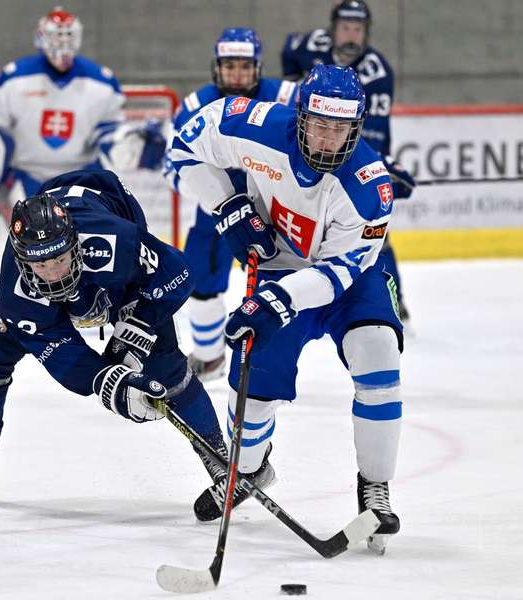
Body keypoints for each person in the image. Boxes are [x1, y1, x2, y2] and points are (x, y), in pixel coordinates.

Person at [170, 63, 404, 553]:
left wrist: (280, 299)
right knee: (251, 397)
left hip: (345, 280)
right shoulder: (252, 124)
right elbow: (182, 150)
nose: (328, 140)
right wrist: (228, 206)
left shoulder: (369, 185)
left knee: (378, 350)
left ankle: (375, 489)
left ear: (355, 128)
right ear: (299, 116)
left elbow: (339, 274)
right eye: (320, 125)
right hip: (277, 270)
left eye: (341, 129)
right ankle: (251, 470)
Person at [0, 169, 226, 507]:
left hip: (109, 207)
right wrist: (108, 382)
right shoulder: (16, 295)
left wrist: (140, 324)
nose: (54, 274)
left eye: (60, 259)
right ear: (22, 260)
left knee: (164, 364)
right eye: (41, 266)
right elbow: (60, 351)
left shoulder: (114, 241)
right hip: (54, 253)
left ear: (74, 244)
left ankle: (222, 462)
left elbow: (179, 273)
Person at [0, 7, 164, 329]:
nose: (61, 49)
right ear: (41, 38)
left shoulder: (101, 82)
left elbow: (110, 134)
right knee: (2, 244)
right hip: (26, 175)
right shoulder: (16, 76)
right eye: (55, 39)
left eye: (67, 39)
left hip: (78, 179)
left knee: (96, 242)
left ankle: (105, 306)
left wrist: (133, 143)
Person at [165, 28, 297, 382]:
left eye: (244, 66)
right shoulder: (194, 106)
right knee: (200, 283)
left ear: (257, 67)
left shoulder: (286, 95)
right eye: (229, 66)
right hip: (215, 211)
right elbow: (174, 165)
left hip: (275, 208)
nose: (237, 74)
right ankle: (209, 358)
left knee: (276, 286)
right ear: (216, 67)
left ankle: (269, 362)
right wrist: (216, 199)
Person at [281, 0, 416, 323]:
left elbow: (374, 135)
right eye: (345, 28)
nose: (351, 35)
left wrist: (380, 168)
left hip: (350, 156)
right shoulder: (310, 45)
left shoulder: (378, 73)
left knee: (376, 234)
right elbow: (289, 51)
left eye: (358, 29)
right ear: (333, 29)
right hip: (307, 147)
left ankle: (391, 300)